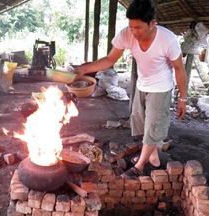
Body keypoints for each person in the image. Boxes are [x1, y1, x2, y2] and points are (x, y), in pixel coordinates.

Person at [74, 0, 187, 179]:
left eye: (138, 27)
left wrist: (183, 99)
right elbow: (110, 59)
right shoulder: (126, 35)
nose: (134, 32)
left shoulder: (168, 39)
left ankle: (140, 166)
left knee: (153, 125)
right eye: (131, 26)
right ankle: (154, 156)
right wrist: (85, 70)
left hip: (161, 87)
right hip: (141, 85)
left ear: (152, 23)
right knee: (141, 124)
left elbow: (179, 69)